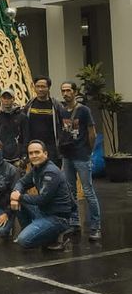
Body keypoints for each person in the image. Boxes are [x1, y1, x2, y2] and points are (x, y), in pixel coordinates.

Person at [10, 139, 73, 249]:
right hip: (44, 211)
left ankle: (56, 236)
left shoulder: (50, 172)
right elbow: (21, 182)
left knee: (24, 241)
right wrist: (16, 194)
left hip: (57, 217)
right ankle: (34, 230)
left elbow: (43, 199)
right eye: (31, 153)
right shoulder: (37, 168)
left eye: (37, 152)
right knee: (19, 201)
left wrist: (19, 196)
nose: (34, 156)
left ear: (45, 154)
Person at [59, 81, 101, 241]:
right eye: (63, 91)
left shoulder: (84, 110)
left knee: (88, 191)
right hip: (68, 156)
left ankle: (95, 226)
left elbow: (92, 133)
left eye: (68, 90)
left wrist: (88, 152)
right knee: (70, 191)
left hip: (82, 155)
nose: (65, 93)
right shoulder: (62, 110)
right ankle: (74, 222)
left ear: (75, 92)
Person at [23, 76, 62, 165]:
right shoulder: (29, 105)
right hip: (34, 146)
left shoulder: (56, 106)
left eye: (43, 87)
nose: (40, 89)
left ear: (48, 88)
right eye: (38, 86)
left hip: (51, 147)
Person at [0, 87, 29, 165]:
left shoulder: (22, 117)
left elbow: (26, 137)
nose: (6, 100)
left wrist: (24, 156)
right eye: (4, 98)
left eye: (9, 98)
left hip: (18, 158)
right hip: (2, 158)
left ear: (13, 99)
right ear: (1, 99)